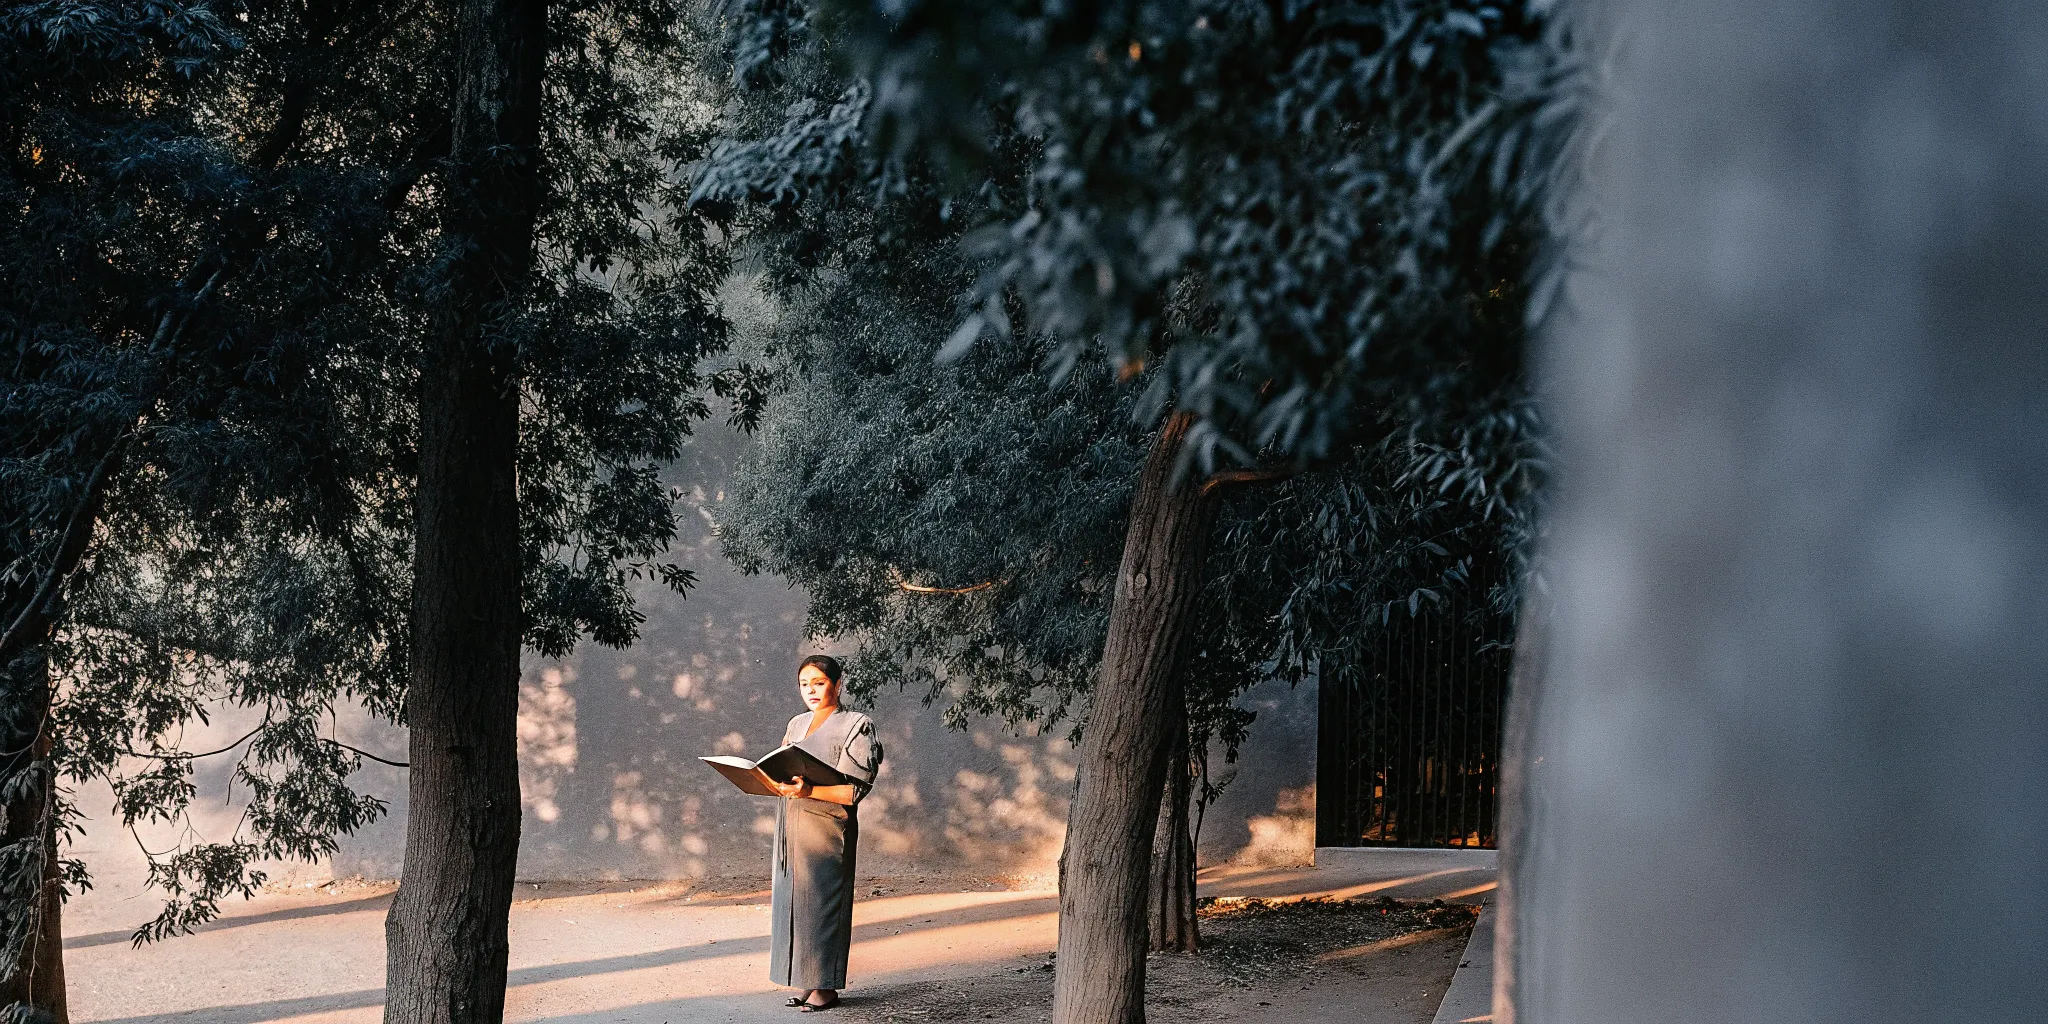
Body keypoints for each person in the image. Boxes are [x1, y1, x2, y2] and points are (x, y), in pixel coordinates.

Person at [767, 654, 882, 1012]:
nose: (811, 691)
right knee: (793, 901)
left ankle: (826, 986)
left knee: (822, 902)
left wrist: (808, 792)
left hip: (828, 826)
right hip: (791, 824)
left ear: (838, 684)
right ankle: (805, 979)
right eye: (804, 684)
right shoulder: (797, 723)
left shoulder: (856, 725)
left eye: (819, 682)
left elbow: (855, 791)